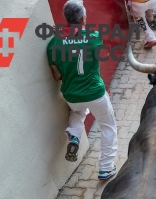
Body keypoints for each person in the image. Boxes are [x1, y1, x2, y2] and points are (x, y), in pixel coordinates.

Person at [46, 0, 118, 180]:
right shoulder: (95, 37)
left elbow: (56, 76)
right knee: (108, 126)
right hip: (96, 94)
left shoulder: (53, 44)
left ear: (65, 18)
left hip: (71, 95)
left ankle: (75, 136)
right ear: (84, 17)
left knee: (77, 114)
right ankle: (105, 168)